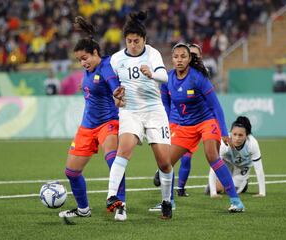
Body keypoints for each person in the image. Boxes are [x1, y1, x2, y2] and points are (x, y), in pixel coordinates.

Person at [151, 43, 244, 213]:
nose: (179, 60)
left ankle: (236, 201)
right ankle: (169, 201)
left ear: (189, 59)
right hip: (185, 126)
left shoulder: (198, 78)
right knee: (166, 163)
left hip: (206, 122)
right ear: (171, 59)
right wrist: (162, 126)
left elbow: (216, 107)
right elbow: (165, 105)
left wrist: (224, 132)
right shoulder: (167, 79)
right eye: (176, 57)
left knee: (212, 156)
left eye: (183, 57)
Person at [105, 11, 174, 220]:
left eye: (137, 41)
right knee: (124, 149)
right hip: (130, 111)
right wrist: (115, 96)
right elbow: (113, 88)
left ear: (144, 40)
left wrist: (151, 74)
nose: (133, 44)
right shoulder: (116, 59)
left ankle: (166, 201)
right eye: (129, 41)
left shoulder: (152, 54)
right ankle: (111, 196)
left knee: (164, 163)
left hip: (154, 110)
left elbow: (164, 76)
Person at [58, 17, 126, 221]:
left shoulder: (106, 67)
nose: (82, 63)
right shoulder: (88, 70)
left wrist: (118, 94)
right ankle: (83, 209)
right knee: (71, 171)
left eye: (85, 58)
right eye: (79, 60)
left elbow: (114, 85)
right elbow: (93, 85)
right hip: (87, 126)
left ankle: (120, 204)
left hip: (108, 123)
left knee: (114, 161)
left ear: (96, 53)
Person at [206, 116, 266, 198]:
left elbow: (259, 169)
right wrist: (213, 193)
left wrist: (262, 192)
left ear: (247, 135)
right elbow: (214, 166)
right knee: (210, 189)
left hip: (242, 168)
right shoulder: (224, 143)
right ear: (230, 133)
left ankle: (243, 183)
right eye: (234, 134)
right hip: (227, 164)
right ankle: (220, 184)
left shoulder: (252, 144)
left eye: (240, 135)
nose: (237, 138)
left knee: (230, 191)